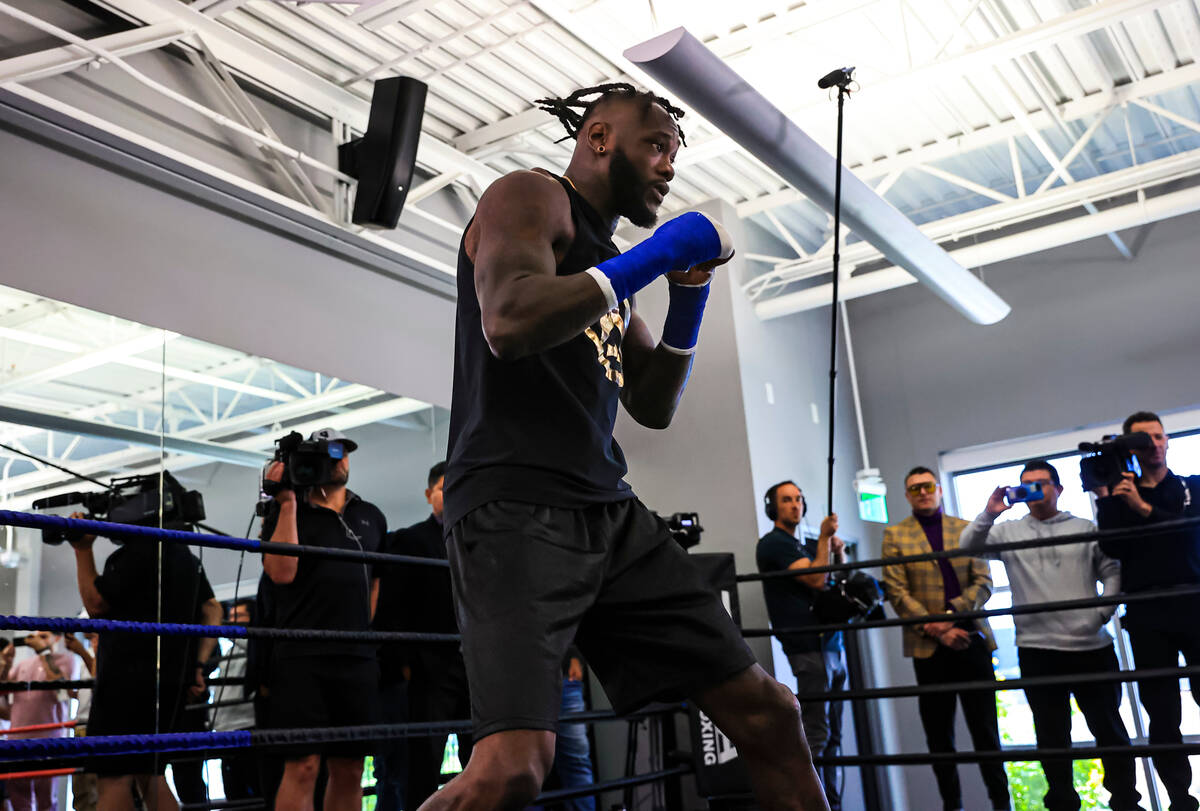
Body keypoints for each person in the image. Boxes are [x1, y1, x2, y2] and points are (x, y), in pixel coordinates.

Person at [436, 82, 828, 811]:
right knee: (513, 767)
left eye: (675, 154)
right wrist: (650, 258)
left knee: (770, 714)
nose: (669, 167)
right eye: (656, 146)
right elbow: (511, 320)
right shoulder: (529, 196)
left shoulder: (609, 266)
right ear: (598, 139)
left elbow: (650, 402)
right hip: (515, 504)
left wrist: (688, 296)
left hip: (608, 510)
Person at [960, 460, 1142, 811]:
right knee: (1051, 736)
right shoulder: (1007, 530)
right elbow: (968, 546)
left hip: (1092, 647)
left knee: (1109, 730)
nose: (1034, 490)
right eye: (1026, 484)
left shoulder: (1085, 527)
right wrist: (990, 511)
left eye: (1041, 483)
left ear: (1058, 489)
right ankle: (1061, 804)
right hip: (1037, 649)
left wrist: (1100, 615)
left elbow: (1113, 573)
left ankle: (1126, 802)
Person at [261, 427, 386, 811]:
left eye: (344, 452)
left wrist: (361, 634)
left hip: (356, 657)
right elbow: (280, 572)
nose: (340, 460)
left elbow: (376, 583)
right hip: (302, 657)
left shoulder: (370, 515)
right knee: (302, 766)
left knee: (350, 767)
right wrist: (286, 502)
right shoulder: (287, 510)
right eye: (330, 455)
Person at [69, 514, 222, 811]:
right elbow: (212, 609)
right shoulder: (185, 555)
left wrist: (82, 549)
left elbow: (96, 604)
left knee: (113, 777)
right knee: (149, 773)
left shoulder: (134, 553)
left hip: (123, 682)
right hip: (169, 682)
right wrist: (198, 665)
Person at [881, 467, 1009, 811]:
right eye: (914, 489)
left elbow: (983, 583)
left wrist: (951, 617)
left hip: (972, 639)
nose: (922, 492)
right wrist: (938, 628)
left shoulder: (966, 527)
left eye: (927, 486)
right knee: (939, 738)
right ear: (907, 495)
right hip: (929, 648)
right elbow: (896, 592)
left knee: (986, 732)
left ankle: (1002, 804)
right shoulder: (895, 536)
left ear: (938, 489)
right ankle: (952, 806)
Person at [1093, 410, 1200, 811]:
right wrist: (1109, 499)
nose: (1153, 444)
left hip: (1194, 602)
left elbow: (1190, 533)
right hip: (1147, 612)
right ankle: (1180, 801)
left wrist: (1142, 509)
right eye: (1143, 439)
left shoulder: (1192, 486)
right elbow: (1112, 548)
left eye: (1159, 436)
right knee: (1162, 713)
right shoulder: (1119, 497)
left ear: (1168, 441)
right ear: (1130, 447)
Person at [374, 461, 472, 808]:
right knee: (424, 759)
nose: (450, 494)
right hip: (429, 665)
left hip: (475, 665)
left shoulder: (477, 539)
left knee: (478, 756)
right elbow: (393, 606)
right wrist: (404, 662)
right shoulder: (410, 540)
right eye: (444, 487)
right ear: (430, 495)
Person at [755, 481, 846, 811]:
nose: (795, 505)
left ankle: (833, 801)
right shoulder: (773, 545)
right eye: (787, 500)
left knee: (834, 733)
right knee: (817, 732)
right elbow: (815, 580)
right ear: (773, 508)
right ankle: (815, 805)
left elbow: (831, 582)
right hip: (807, 646)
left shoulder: (805, 546)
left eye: (798, 499)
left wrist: (836, 551)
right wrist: (823, 538)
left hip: (831, 644)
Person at [3, 631, 81, 811]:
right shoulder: (23, 664)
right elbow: (4, 691)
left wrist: (44, 652)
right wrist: (6, 662)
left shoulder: (67, 661)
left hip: (49, 738)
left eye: (44, 636)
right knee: (17, 795)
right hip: (17, 738)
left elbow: (63, 694)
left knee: (46, 798)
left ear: (57, 638)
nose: (38, 641)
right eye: (35, 637)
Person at [211, 600, 261, 802]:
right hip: (225, 732)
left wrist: (217, 622)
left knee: (254, 791)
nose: (231, 622)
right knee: (233, 794)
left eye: (237, 617)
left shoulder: (255, 645)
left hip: (246, 729)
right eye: (230, 617)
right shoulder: (229, 652)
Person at [69, 632, 100, 811]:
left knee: (94, 785)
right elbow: (81, 693)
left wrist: (82, 652)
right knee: (80, 787)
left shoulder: (106, 654)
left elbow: (101, 688)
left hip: (95, 724)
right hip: (81, 723)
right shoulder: (86, 655)